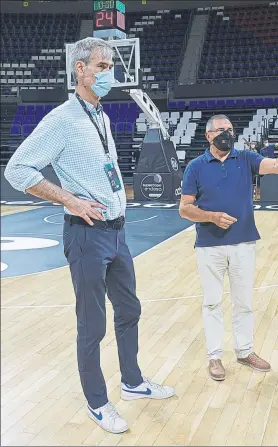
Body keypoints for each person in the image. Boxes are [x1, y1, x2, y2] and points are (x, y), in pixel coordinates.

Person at [4, 37, 174, 434]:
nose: (107, 74)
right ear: (79, 70)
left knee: (130, 309)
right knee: (92, 324)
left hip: (116, 233)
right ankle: (97, 402)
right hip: (86, 235)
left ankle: (132, 383)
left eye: (110, 66)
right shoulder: (61, 120)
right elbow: (18, 170)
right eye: (101, 66)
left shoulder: (100, 116)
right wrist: (68, 199)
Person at [179, 114, 278, 380]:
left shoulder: (245, 158)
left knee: (244, 303)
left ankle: (244, 351)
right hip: (209, 245)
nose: (226, 134)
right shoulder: (195, 166)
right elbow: (184, 208)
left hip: (243, 242)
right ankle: (214, 357)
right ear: (208, 135)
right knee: (212, 303)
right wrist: (211, 216)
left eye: (230, 129)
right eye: (220, 130)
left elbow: (274, 166)